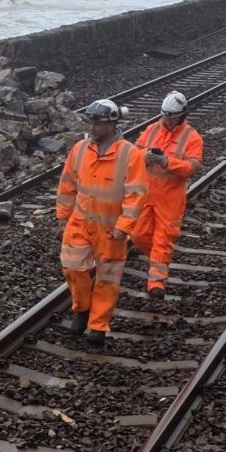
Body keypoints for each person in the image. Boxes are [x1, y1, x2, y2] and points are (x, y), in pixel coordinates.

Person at [56, 99, 147, 347]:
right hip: (80, 222)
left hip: (111, 229)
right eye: (91, 122)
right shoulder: (80, 149)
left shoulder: (130, 154)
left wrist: (124, 226)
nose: (93, 127)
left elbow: (135, 193)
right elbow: (67, 182)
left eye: (98, 123)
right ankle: (81, 309)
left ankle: (97, 326)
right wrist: (63, 214)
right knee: (73, 268)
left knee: (108, 278)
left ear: (111, 124)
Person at [130, 91, 203, 300]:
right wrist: (146, 156)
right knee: (138, 234)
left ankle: (156, 284)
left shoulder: (192, 137)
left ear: (181, 115)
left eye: (171, 116)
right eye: (164, 115)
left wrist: (167, 162)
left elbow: (192, 166)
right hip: (146, 192)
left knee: (163, 238)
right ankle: (158, 258)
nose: (166, 120)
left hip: (170, 198)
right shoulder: (153, 129)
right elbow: (135, 153)